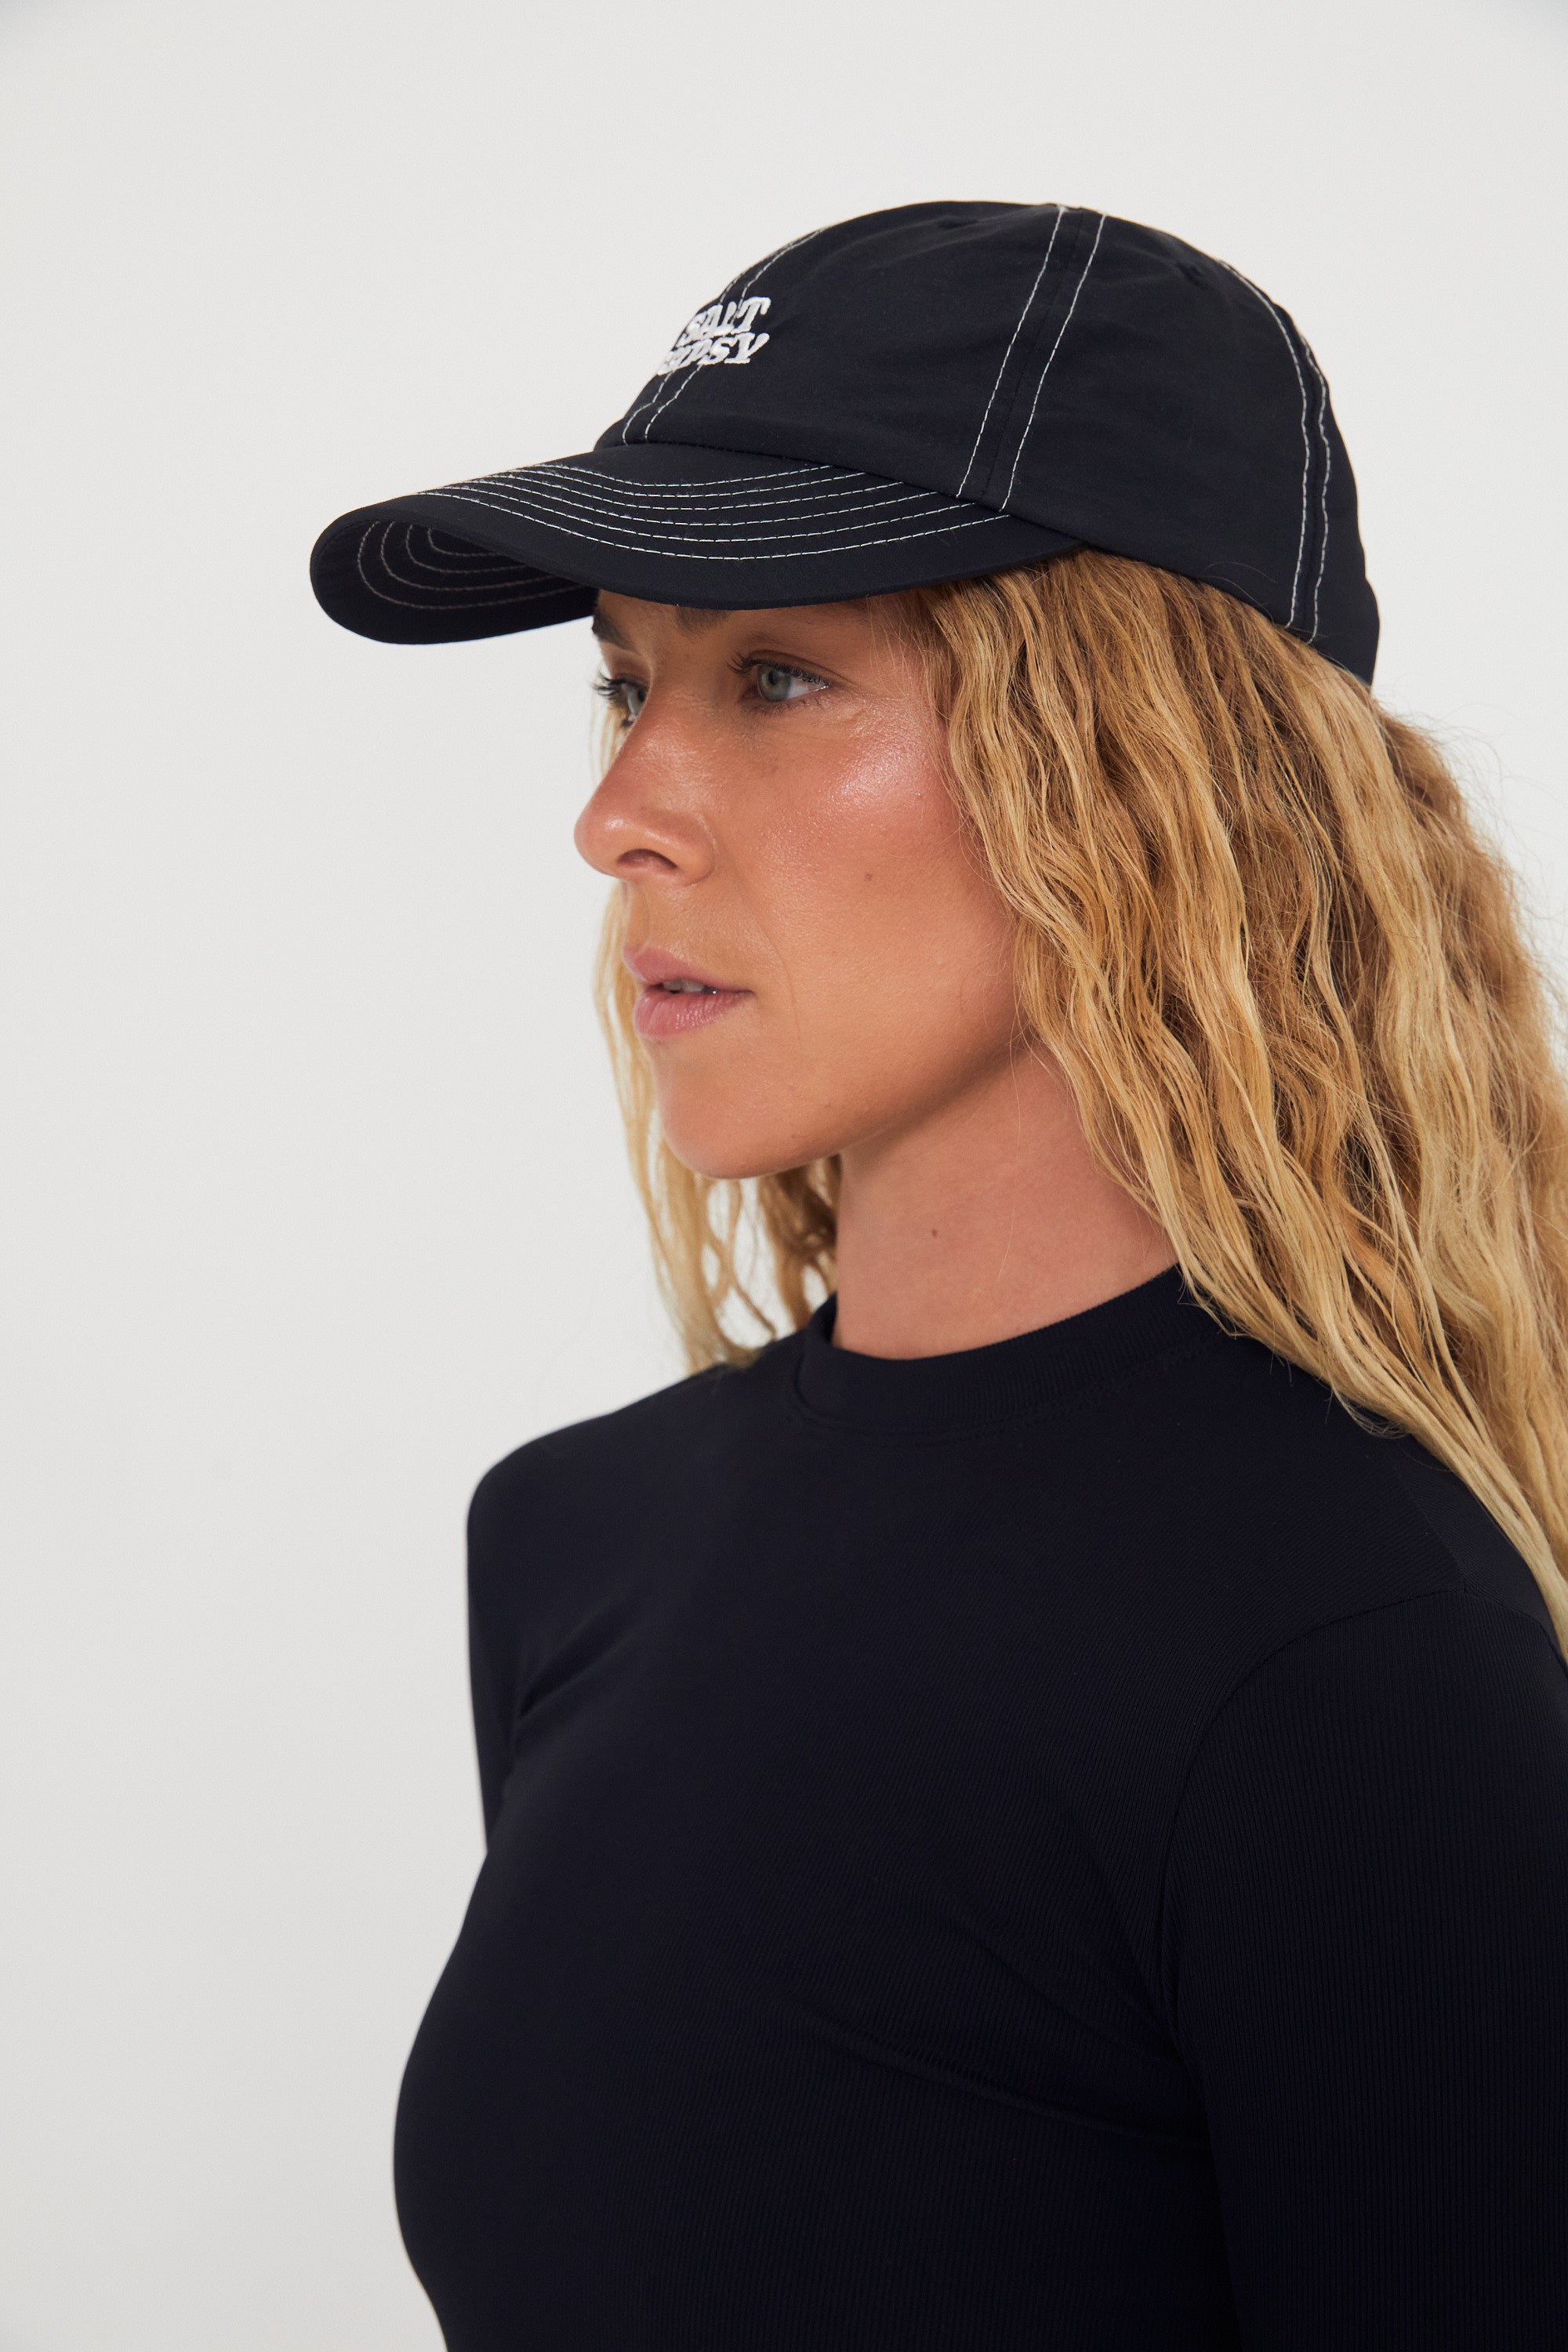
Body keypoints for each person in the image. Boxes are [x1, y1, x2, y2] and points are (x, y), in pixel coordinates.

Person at [311, 204, 1568, 2349]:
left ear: (1150, 769)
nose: (620, 810)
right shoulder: (574, 1539)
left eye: (777, 678)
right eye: (626, 681)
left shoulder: (1345, 1655)